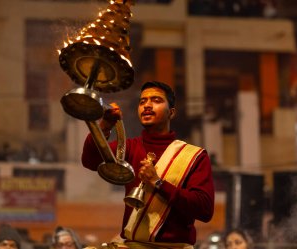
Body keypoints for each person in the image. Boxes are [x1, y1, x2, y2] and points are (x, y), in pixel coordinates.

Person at [81, 81, 215, 248]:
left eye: (156, 100)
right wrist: (105, 126)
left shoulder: (194, 156)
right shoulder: (129, 147)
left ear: (171, 113)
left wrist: (158, 183)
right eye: (142, 101)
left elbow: (204, 209)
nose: (147, 105)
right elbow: (90, 161)